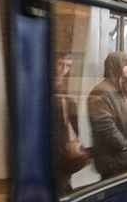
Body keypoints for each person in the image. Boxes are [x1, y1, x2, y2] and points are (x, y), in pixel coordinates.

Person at [53, 53, 89, 193]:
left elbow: (74, 133)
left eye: (67, 66)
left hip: (61, 164)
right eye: (59, 64)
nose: (63, 70)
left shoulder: (68, 102)